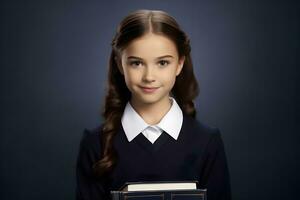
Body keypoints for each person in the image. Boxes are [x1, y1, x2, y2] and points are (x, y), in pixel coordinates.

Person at [75, 9, 231, 200]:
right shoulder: (95, 143)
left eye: (163, 63)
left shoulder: (207, 142)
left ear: (180, 64)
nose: (149, 77)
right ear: (119, 64)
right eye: (136, 63)